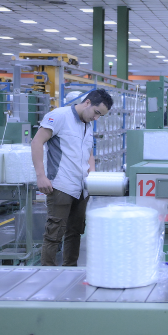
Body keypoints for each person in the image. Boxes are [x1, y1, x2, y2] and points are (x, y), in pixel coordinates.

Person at [31, 88, 113, 266]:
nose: (96, 118)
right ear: (87, 102)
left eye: (100, 115)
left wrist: (92, 173)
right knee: (54, 233)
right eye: (96, 112)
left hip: (82, 187)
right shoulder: (59, 116)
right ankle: (47, 273)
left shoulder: (87, 124)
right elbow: (36, 142)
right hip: (61, 185)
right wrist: (41, 176)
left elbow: (88, 151)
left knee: (75, 232)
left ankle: (70, 270)